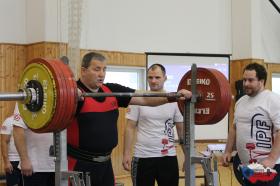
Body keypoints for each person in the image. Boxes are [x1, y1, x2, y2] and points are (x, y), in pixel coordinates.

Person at [67, 52, 192, 186]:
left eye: (104, 69)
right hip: (80, 165)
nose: (101, 74)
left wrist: (175, 96)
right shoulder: (73, 94)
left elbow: (145, 98)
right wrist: (70, 92)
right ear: (83, 70)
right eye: (97, 69)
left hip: (105, 165)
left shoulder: (112, 90)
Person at [122, 64, 185, 186]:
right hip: (143, 157)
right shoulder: (138, 99)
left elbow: (181, 131)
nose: (153, 81)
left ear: (165, 78)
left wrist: (187, 156)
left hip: (168, 157)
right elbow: (130, 128)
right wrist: (126, 154)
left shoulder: (174, 101)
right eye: (150, 77)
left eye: (157, 77)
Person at [223, 63, 280, 186]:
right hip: (245, 166)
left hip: (267, 167)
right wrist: (227, 151)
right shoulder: (240, 102)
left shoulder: (273, 100)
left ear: (261, 81)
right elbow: (234, 128)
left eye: (250, 80)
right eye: (244, 80)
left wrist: (271, 159)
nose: (245, 84)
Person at [13, 103, 55, 186]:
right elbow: (17, 129)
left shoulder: (59, 94)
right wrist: (24, 159)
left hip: (58, 164)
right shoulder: (27, 96)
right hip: (35, 166)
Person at [0, 114, 23, 186]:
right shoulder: (9, 121)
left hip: (29, 161)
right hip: (13, 161)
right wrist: (6, 162)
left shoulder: (31, 121)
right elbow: (4, 142)